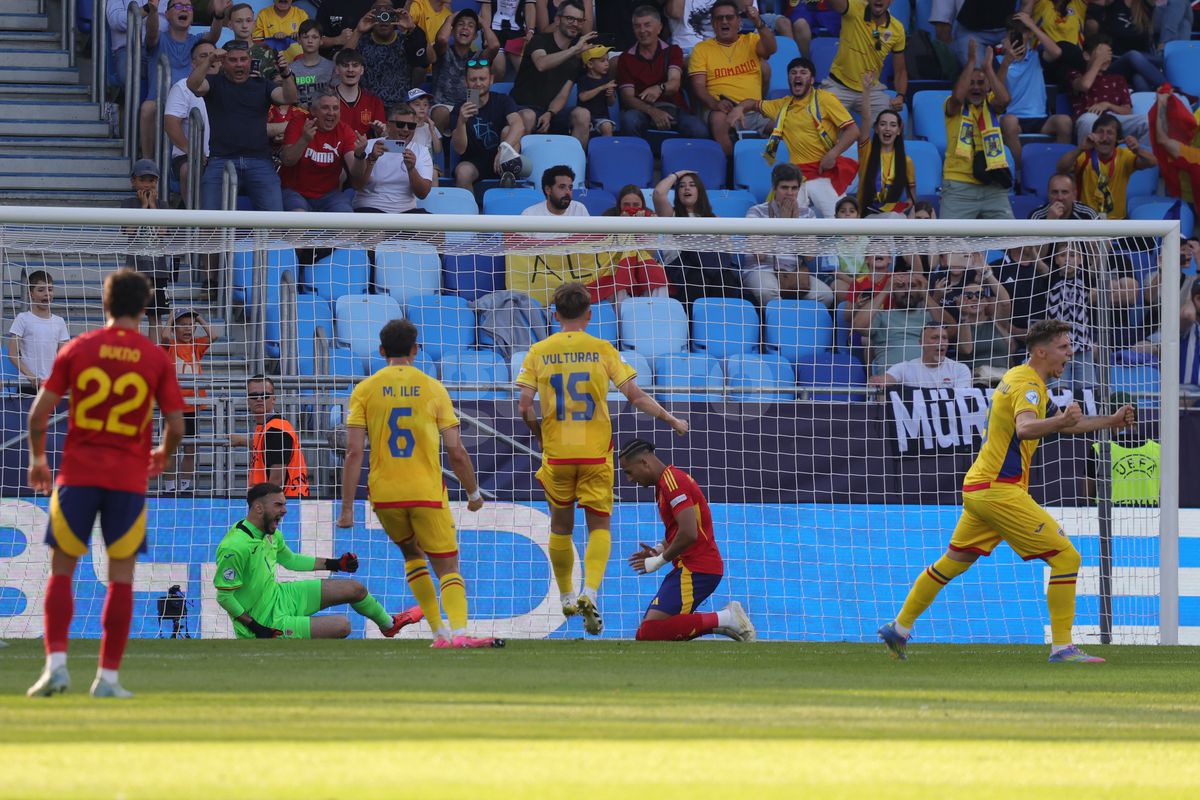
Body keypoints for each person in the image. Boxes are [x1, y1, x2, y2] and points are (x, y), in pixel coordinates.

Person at [878, 319, 1138, 663]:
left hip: (979, 487)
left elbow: (1066, 424)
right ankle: (1063, 647)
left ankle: (899, 627)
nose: (1070, 353)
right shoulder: (1027, 386)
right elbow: (1027, 427)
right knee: (1066, 558)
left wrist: (1110, 420)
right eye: (1063, 347)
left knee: (955, 561)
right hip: (999, 490)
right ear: (1041, 352)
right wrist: (1059, 422)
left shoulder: (1025, 380)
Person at [26, 269, 186, 699]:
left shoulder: (79, 348)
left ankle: (55, 666)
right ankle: (108, 679)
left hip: (77, 476)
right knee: (121, 577)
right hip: (127, 481)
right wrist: (164, 454)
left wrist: (38, 460)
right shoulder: (155, 358)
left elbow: (38, 415)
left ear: (104, 303)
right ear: (144, 306)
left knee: (62, 570)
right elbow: (176, 423)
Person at [516, 281, 689, 635]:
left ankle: (566, 594)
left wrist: (541, 436)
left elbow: (523, 407)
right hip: (595, 454)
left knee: (560, 527)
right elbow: (635, 395)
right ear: (590, 315)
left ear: (554, 314)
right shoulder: (602, 348)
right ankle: (590, 591)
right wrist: (670, 418)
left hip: (558, 454)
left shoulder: (537, 351)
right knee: (599, 527)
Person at [336, 319, 501, 648]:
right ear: (415, 350)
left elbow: (354, 452)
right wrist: (473, 493)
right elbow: (456, 450)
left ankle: (438, 634)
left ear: (381, 351)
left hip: (383, 494)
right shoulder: (432, 387)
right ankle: (460, 633)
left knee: (412, 554)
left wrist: (347, 510)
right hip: (424, 490)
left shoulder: (365, 389)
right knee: (448, 565)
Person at [217, 482, 417, 639]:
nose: (285, 510)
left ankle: (389, 625)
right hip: (265, 621)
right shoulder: (235, 547)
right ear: (259, 508)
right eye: (278, 505)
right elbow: (225, 597)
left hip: (280, 596)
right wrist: (256, 627)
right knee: (343, 626)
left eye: (285, 504)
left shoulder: (270, 534)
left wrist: (335, 564)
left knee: (355, 589)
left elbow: (291, 560)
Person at [618, 439, 757, 642]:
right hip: (692, 567)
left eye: (628, 472)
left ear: (644, 463)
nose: (630, 479)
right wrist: (658, 549)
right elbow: (681, 529)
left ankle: (726, 618)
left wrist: (657, 562)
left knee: (649, 633)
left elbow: (689, 533)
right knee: (651, 631)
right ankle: (724, 620)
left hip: (697, 568)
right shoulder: (666, 483)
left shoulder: (673, 483)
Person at [728, 57, 859, 218]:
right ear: (789, 79)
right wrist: (740, 108)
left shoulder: (825, 99)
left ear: (811, 80)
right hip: (796, 179)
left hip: (823, 172)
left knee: (841, 221)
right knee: (787, 222)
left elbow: (853, 130)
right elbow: (753, 103)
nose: (798, 76)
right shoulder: (782, 105)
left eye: (803, 72)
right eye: (793, 73)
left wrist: (833, 154)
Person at [190, 41, 299, 212]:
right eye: (233, 60)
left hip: (260, 161)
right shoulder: (214, 82)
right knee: (208, 224)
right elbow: (193, 85)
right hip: (221, 160)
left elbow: (289, 97)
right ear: (224, 62)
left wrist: (286, 73)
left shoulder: (262, 84)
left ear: (250, 60)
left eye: (243, 59)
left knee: (274, 223)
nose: (239, 64)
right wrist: (210, 58)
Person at [139, 0, 228, 159]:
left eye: (188, 7)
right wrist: (153, 11)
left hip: (189, 100)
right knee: (147, 108)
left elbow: (213, 36)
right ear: (166, 14)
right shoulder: (159, 39)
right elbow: (151, 34)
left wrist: (219, 15)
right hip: (160, 100)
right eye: (178, 6)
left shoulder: (195, 41)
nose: (184, 9)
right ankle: (148, 162)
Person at [688, 0, 777, 156]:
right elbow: (698, 86)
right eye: (719, 18)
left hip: (753, 110)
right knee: (718, 120)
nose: (724, 21)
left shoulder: (750, 40)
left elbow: (771, 48)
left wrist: (758, 22)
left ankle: (769, 165)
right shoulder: (702, 49)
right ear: (713, 23)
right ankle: (732, 168)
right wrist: (715, 104)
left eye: (729, 17)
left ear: (739, 21)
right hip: (722, 110)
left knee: (781, 126)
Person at [939, 39, 1015, 220]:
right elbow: (957, 98)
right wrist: (971, 61)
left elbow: (1004, 100)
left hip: (993, 186)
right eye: (970, 83)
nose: (975, 87)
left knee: (1016, 242)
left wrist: (989, 68)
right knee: (948, 244)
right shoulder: (952, 107)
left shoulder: (991, 104)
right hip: (959, 186)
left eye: (980, 83)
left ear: (987, 87)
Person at [743, 163, 836, 307]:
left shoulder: (807, 214)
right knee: (768, 292)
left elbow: (809, 255)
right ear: (774, 188)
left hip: (794, 273)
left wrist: (797, 224)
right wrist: (782, 224)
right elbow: (760, 254)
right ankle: (776, 328)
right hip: (762, 269)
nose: (790, 193)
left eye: (794, 188)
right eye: (784, 188)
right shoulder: (756, 211)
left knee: (826, 296)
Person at [652, 170, 745, 306]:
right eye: (682, 186)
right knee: (697, 278)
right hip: (682, 269)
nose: (687, 188)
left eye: (692, 185)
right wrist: (677, 174)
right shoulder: (671, 214)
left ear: (699, 191)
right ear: (677, 192)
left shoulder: (715, 219)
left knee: (725, 279)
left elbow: (727, 252)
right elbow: (658, 193)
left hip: (713, 268)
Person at [617, 5, 708, 140]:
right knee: (629, 120)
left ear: (659, 28)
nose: (642, 30)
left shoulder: (673, 51)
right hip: (643, 110)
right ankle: (635, 158)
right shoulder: (626, 58)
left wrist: (659, 88)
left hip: (674, 107)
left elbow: (674, 83)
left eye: (647, 25)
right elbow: (627, 97)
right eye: (637, 26)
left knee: (698, 129)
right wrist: (653, 111)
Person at [998, 11, 1073, 173]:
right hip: (1014, 119)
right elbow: (997, 92)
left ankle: (1059, 172)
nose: (1018, 38)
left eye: (1022, 33)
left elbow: (1057, 52)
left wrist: (1032, 26)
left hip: (1040, 119)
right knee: (1009, 121)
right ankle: (1021, 173)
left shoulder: (1037, 56)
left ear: (1028, 35)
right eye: (1013, 35)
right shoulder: (999, 62)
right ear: (1007, 36)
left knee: (1064, 122)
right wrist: (1006, 61)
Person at [821, 0, 908, 128]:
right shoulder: (854, 8)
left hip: (871, 90)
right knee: (821, 124)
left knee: (892, 124)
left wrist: (900, 96)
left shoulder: (897, 29)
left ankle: (880, 149)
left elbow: (900, 70)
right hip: (839, 86)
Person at [512, 0, 592, 138]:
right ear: (557, 19)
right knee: (529, 116)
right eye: (570, 18)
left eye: (580, 20)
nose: (575, 24)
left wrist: (550, 113)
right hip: (522, 108)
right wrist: (573, 50)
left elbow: (563, 95)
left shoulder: (575, 58)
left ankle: (576, 159)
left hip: (549, 114)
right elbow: (541, 64)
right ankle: (518, 160)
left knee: (582, 115)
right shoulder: (539, 40)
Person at [1056, 112, 1155, 219]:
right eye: (1100, 132)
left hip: (1117, 224)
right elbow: (1061, 168)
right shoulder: (1083, 156)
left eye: (1110, 133)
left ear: (1117, 138)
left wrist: (1138, 149)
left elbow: (1152, 162)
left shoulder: (1125, 156)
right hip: (1086, 222)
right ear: (1093, 135)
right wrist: (1080, 148)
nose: (1104, 137)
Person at [852, 266, 949, 376]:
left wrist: (926, 295)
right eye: (900, 286)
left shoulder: (930, 316)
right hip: (891, 382)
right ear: (892, 292)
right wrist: (885, 291)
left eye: (912, 286)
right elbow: (858, 326)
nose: (907, 290)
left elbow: (953, 331)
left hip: (927, 381)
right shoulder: (881, 316)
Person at [160, 308, 217, 494]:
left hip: (192, 405)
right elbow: (164, 337)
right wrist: (170, 318)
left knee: (190, 447)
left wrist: (199, 318)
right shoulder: (170, 346)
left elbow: (214, 335)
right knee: (171, 447)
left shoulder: (196, 346)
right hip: (173, 406)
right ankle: (169, 487)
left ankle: (185, 485)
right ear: (175, 328)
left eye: (190, 325)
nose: (187, 329)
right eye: (183, 325)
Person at [279, 89, 361, 213]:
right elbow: (287, 160)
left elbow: (355, 171)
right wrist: (304, 139)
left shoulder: (345, 130)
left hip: (329, 195)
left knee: (348, 223)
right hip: (295, 192)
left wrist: (360, 155)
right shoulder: (298, 123)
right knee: (297, 218)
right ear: (313, 111)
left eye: (335, 108)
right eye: (325, 108)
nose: (331, 113)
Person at [228, 375, 310, 498]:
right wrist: (242, 441)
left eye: (265, 395)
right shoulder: (268, 427)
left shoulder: (276, 429)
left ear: (273, 399)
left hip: (286, 504)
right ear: (248, 400)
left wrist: (264, 504)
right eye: (254, 396)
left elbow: (277, 480)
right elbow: (265, 446)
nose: (259, 399)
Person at [451, 60, 526, 193]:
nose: (478, 83)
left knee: (508, 130)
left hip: (502, 157)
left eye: (482, 78)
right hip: (474, 162)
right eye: (473, 79)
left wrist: (503, 148)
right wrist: (461, 121)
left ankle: (508, 177)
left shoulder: (502, 100)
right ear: (466, 82)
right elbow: (460, 149)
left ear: (491, 80)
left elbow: (519, 125)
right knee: (462, 172)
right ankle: (468, 213)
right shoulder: (459, 109)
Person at [352, 101, 436, 213]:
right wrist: (371, 159)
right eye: (400, 124)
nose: (406, 129)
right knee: (377, 231)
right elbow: (357, 185)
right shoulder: (369, 146)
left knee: (436, 230)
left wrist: (411, 169)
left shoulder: (421, 151)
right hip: (371, 207)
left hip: (406, 211)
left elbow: (423, 194)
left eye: (411, 126)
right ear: (388, 126)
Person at [1067, 33, 1149, 145]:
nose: (1107, 58)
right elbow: (1085, 85)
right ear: (1086, 55)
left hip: (1115, 120)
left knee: (1148, 121)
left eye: (1108, 54)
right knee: (1088, 119)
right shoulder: (1075, 74)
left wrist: (1108, 105)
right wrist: (1098, 61)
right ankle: (1086, 159)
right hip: (1089, 118)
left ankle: (1142, 160)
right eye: (1102, 54)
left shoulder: (1117, 79)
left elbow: (1127, 111)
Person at [430, 9, 500, 134]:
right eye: (461, 24)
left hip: (469, 105)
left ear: (475, 36)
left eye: (470, 25)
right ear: (452, 31)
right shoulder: (443, 51)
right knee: (441, 113)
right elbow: (441, 39)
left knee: (479, 114)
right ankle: (439, 152)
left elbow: (494, 46)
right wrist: (450, 19)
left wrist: (483, 23)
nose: (465, 28)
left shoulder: (478, 58)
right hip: (443, 104)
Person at [164, 40, 216, 196]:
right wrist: (194, 152)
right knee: (188, 170)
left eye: (213, 55)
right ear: (194, 63)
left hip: (222, 155)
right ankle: (193, 218)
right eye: (204, 56)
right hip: (189, 155)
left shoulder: (230, 86)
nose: (210, 59)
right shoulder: (183, 87)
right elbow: (170, 123)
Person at [352, 2, 430, 105]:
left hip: (400, 107)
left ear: (395, 17)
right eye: (379, 13)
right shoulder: (362, 41)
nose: (384, 18)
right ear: (371, 17)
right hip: (369, 106)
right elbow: (341, 61)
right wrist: (358, 31)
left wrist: (412, 28)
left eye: (388, 13)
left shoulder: (408, 41)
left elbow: (429, 59)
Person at [8, 270, 69, 395]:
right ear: (31, 294)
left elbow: (64, 356)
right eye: (41, 290)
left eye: (50, 289)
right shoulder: (22, 319)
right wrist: (31, 376)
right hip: (27, 385)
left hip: (50, 385)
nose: (47, 294)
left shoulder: (59, 322)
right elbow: (12, 354)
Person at [856, 95, 916, 216]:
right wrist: (867, 91)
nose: (888, 129)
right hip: (866, 215)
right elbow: (866, 119)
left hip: (892, 214)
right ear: (876, 129)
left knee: (895, 217)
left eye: (893, 125)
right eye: (883, 124)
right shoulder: (866, 152)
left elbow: (912, 197)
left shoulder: (906, 161)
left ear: (899, 131)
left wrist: (908, 203)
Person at [870, 324, 973, 388]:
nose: (941, 342)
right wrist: (879, 380)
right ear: (921, 343)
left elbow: (962, 403)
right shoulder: (906, 368)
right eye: (935, 338)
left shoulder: (960, 369)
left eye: (944, 338)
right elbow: (888, 378)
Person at [954, 281, 1013, 385]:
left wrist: (988, 274)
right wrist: (963, 316)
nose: (974, 298)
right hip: (976, 383)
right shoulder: (958, 328)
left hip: (1003, 380)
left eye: (979, 295)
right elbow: (967, 349)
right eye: (968, 296)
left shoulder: (998, 322)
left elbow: (1005, 303)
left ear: (986, 302)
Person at [331, 48, 387, 136]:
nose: (350, 69)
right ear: (337, 69)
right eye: (345, 65)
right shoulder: (326, 98)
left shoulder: (374, 101)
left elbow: (383, 135)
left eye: (355, 65)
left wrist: (380, 131)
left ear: (362, 70)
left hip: (365, 149)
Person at [574, 44, 616, 148]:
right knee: (585, 128)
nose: (607, 64)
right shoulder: (584, 79)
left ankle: (604, 153)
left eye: (607, 60)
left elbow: (611, 103)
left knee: (607, 127)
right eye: (602, 61)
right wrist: (601, 88)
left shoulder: (607, 79)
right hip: (586, 118)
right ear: (590, 64)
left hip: (602, 117)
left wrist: (610, 95)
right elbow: (582, 97)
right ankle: (583, 156)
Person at [228, 3, 280, 81]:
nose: (244, 25)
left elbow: (276, 83)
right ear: (230, 25)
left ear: (254, 24)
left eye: (248, 20)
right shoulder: (224, 54)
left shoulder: (268, 53)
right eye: (239, 21)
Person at [291, 20, 334, 107]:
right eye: (305, 37)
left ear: (321, 40)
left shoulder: (331, 67)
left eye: (314, 37)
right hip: (299, 115)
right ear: (299, 40)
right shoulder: (290, 69)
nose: (310, 41)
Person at [522, 164, 589, 217]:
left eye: (570, 187)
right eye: (562, 187)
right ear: (548, 190)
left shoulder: (579, 210)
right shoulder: (530, 215)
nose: (568, 192)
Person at [1029, 172, 1100, 220]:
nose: (1060, 198)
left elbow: (1105, 242)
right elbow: (1029, 242)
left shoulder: (1088, 214)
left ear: (1074, 195)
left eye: (1065, 192)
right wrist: (1049, 223)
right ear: (1048, 194)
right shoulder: (1037, 216)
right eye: (1054, 192)